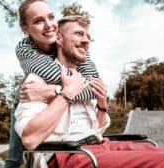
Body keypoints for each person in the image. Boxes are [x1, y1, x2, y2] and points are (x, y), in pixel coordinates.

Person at [15, 15, 164, 168]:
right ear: (59, 39)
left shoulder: (86, 78)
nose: (86, 40)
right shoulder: (37, 81)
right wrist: (65, 94)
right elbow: (29, 140)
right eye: (79, 34)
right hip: (68, 155)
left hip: (100, 145)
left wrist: (102, 106)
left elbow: (98, 129)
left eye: (88, 36)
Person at [5, 0, 99, 167]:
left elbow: (93, 85)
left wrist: (53, 91)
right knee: (15, 156)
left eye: (51, 17)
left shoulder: (68, 40)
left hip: (45, 90)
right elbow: (78, 84)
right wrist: (70, 88)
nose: (49, 25)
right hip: (29, 95)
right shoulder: (25, 49)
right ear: (26, 29)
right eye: (38, 21)